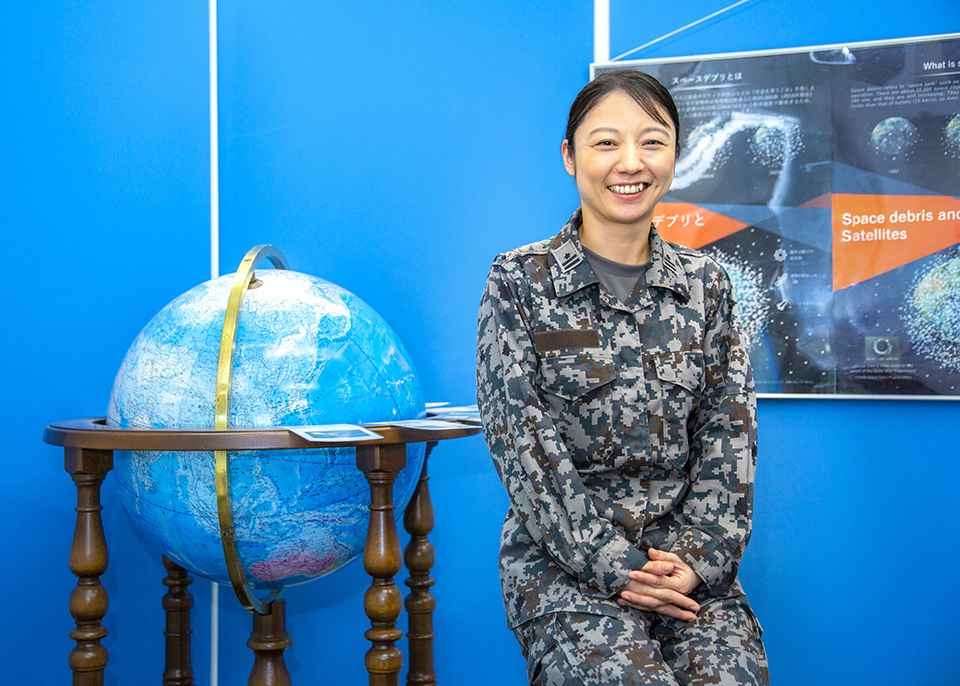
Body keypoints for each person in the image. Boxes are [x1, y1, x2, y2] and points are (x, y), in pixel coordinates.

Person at [476, 70, 769, 685]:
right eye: (606, 141)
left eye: (653, 141)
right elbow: (522, 447)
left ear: (675, 155)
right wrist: (616, 567)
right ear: (569, 155)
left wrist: (696, 559)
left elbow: (729, 434)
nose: (630, 162)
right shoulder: (518, 282)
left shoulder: (707, 285)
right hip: (565, 568)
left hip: (685, 569)